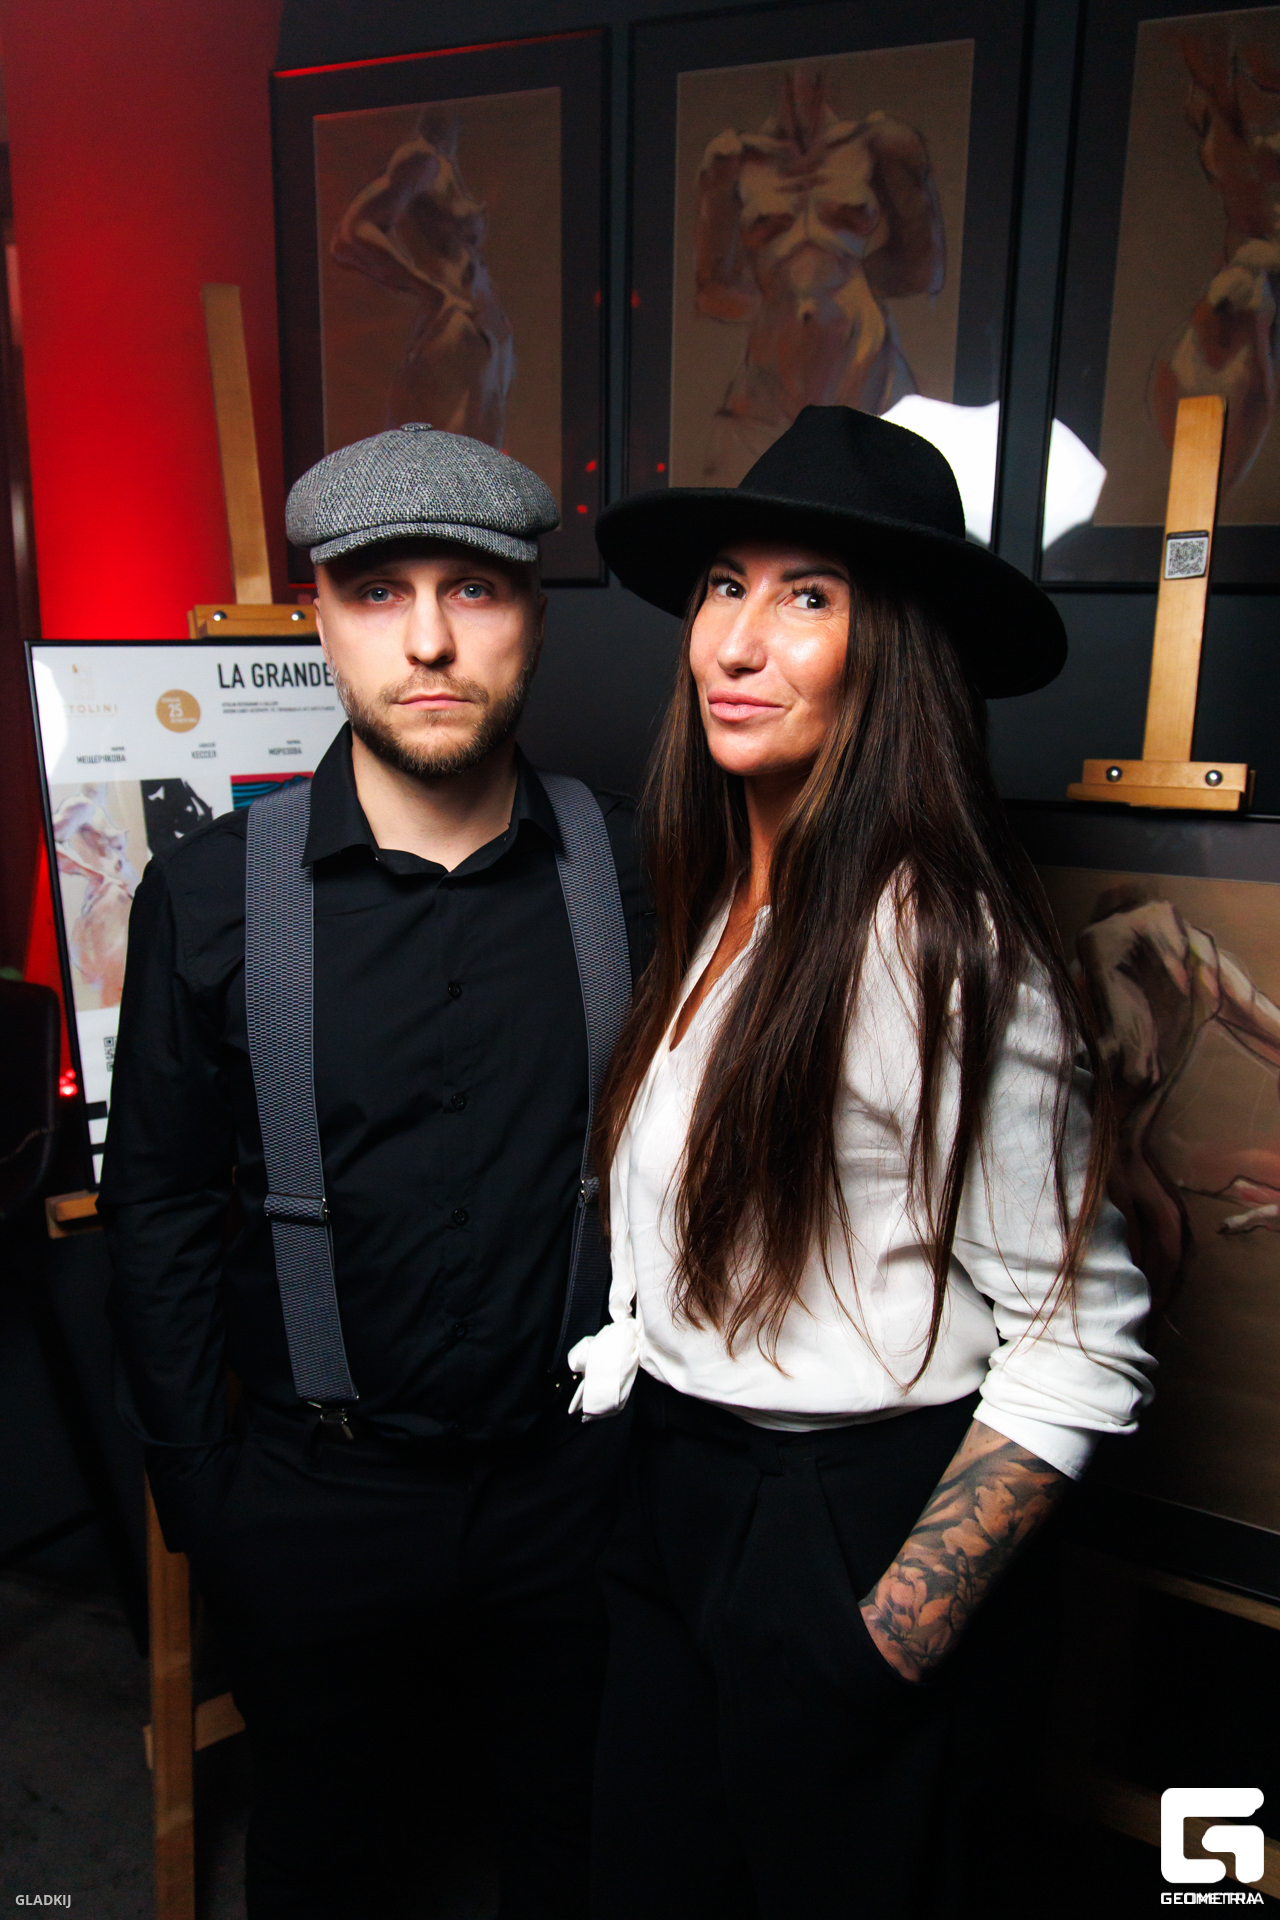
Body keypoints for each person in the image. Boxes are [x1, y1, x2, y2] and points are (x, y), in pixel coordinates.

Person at [572, 405, 1154, 1918]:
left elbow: (1082, 1340)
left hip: (838, 1522)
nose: (735, 642)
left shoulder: (943, 950)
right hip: (674, 1492)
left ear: (892, 653)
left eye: (808, 597)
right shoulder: (721, 895)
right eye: (725, 586)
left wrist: (886, 1635)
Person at [99, 425, 645, 1920]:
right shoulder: (211, 895)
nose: (427, 642)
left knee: (579, 1846)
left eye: (473, 589)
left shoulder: (635, 869)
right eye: (377, 591)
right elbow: (156, 1209)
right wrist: (203, 1491)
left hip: (574, 1491)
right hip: (313, 1497)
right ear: (321, 621)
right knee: (324, 1861)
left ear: (532, 615)